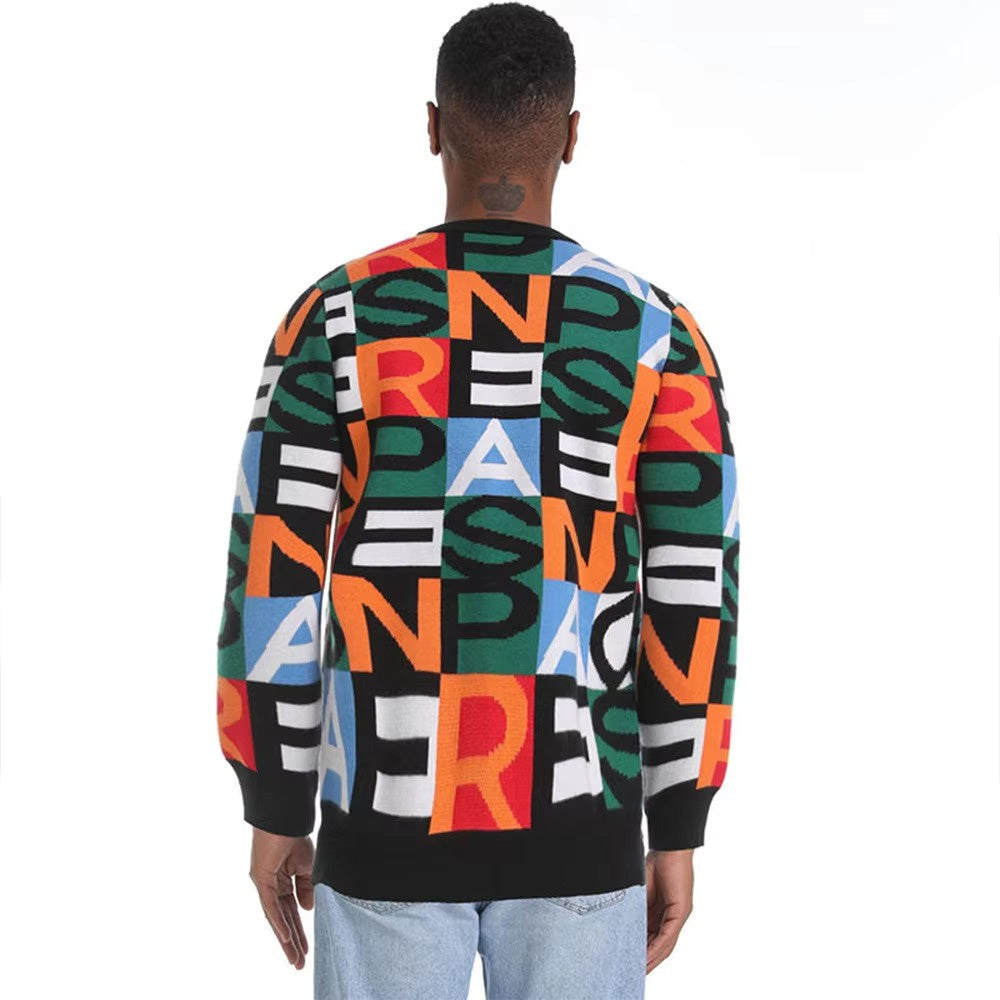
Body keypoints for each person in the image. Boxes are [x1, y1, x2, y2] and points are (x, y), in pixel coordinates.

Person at [215, 3, 740, 998]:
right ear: (572, 136)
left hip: (385, 820)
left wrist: (276, 799)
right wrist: (677, 819)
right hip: (581, 822)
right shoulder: (653, 333)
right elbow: (693, 589)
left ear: (432, 126)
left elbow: (272, 568)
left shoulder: (336, 317)